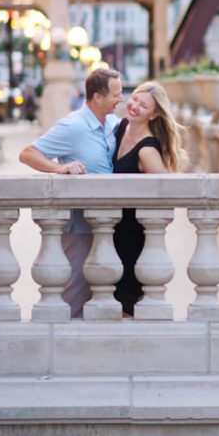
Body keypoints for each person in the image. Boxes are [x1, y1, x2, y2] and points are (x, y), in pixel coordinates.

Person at [19, 67, 123, 318]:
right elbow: (27, 153)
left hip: (111, 225)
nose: (120, 99)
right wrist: (59, 167)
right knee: (74, 293)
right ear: (97, 97)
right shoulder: (72, 126)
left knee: (104, 296)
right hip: (79, 227)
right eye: (115, 95)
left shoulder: (114, 123)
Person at [111, 81, 183, 315]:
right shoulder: (121, 127)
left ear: (153, 115)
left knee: (127, 300)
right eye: (134, 99)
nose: (134, 106)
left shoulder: (147, 150)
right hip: (111, 227)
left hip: (131, 234)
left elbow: (165, 192)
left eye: (143, 106)